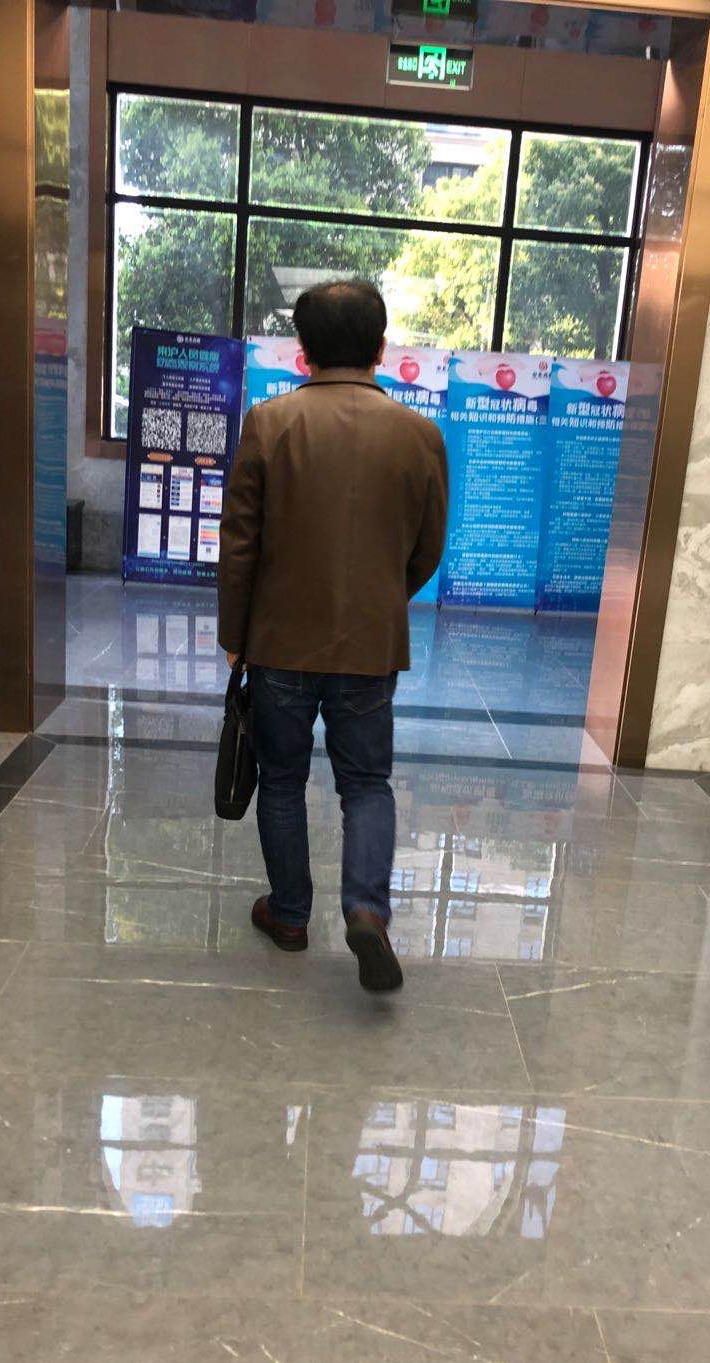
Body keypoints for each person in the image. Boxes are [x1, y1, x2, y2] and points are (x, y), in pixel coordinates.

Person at [218, 280, 448, 992]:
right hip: (369, 646)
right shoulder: (420, 435)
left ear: (304, 350)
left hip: (279, 640)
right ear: (380, 348)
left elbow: (240, 544)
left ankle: (289, 916)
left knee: (282, 779)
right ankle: (367, 911)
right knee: (367, 783)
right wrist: (381, 598)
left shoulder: (269, 423)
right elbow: (427, 546)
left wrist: (236, 634)